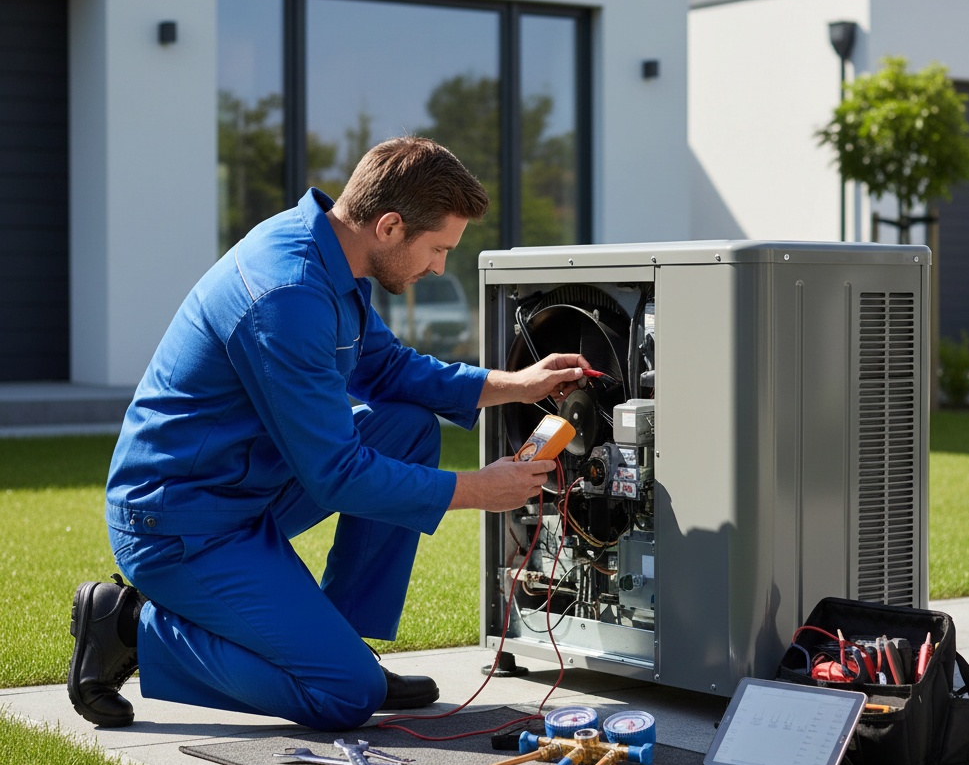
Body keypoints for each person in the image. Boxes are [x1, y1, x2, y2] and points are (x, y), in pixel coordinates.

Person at [67, 136, 589, 731]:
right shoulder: (287, 294)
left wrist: (515, 382)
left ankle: (336, 644)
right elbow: (336, 474)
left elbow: (389, 370)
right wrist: (477, 489)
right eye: (438, 249)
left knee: (406, 427)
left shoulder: (330, 252)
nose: (440, 267)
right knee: (344, 697)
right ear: (390, 226)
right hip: (181, 523)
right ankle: (129, 624)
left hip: (247, 487)